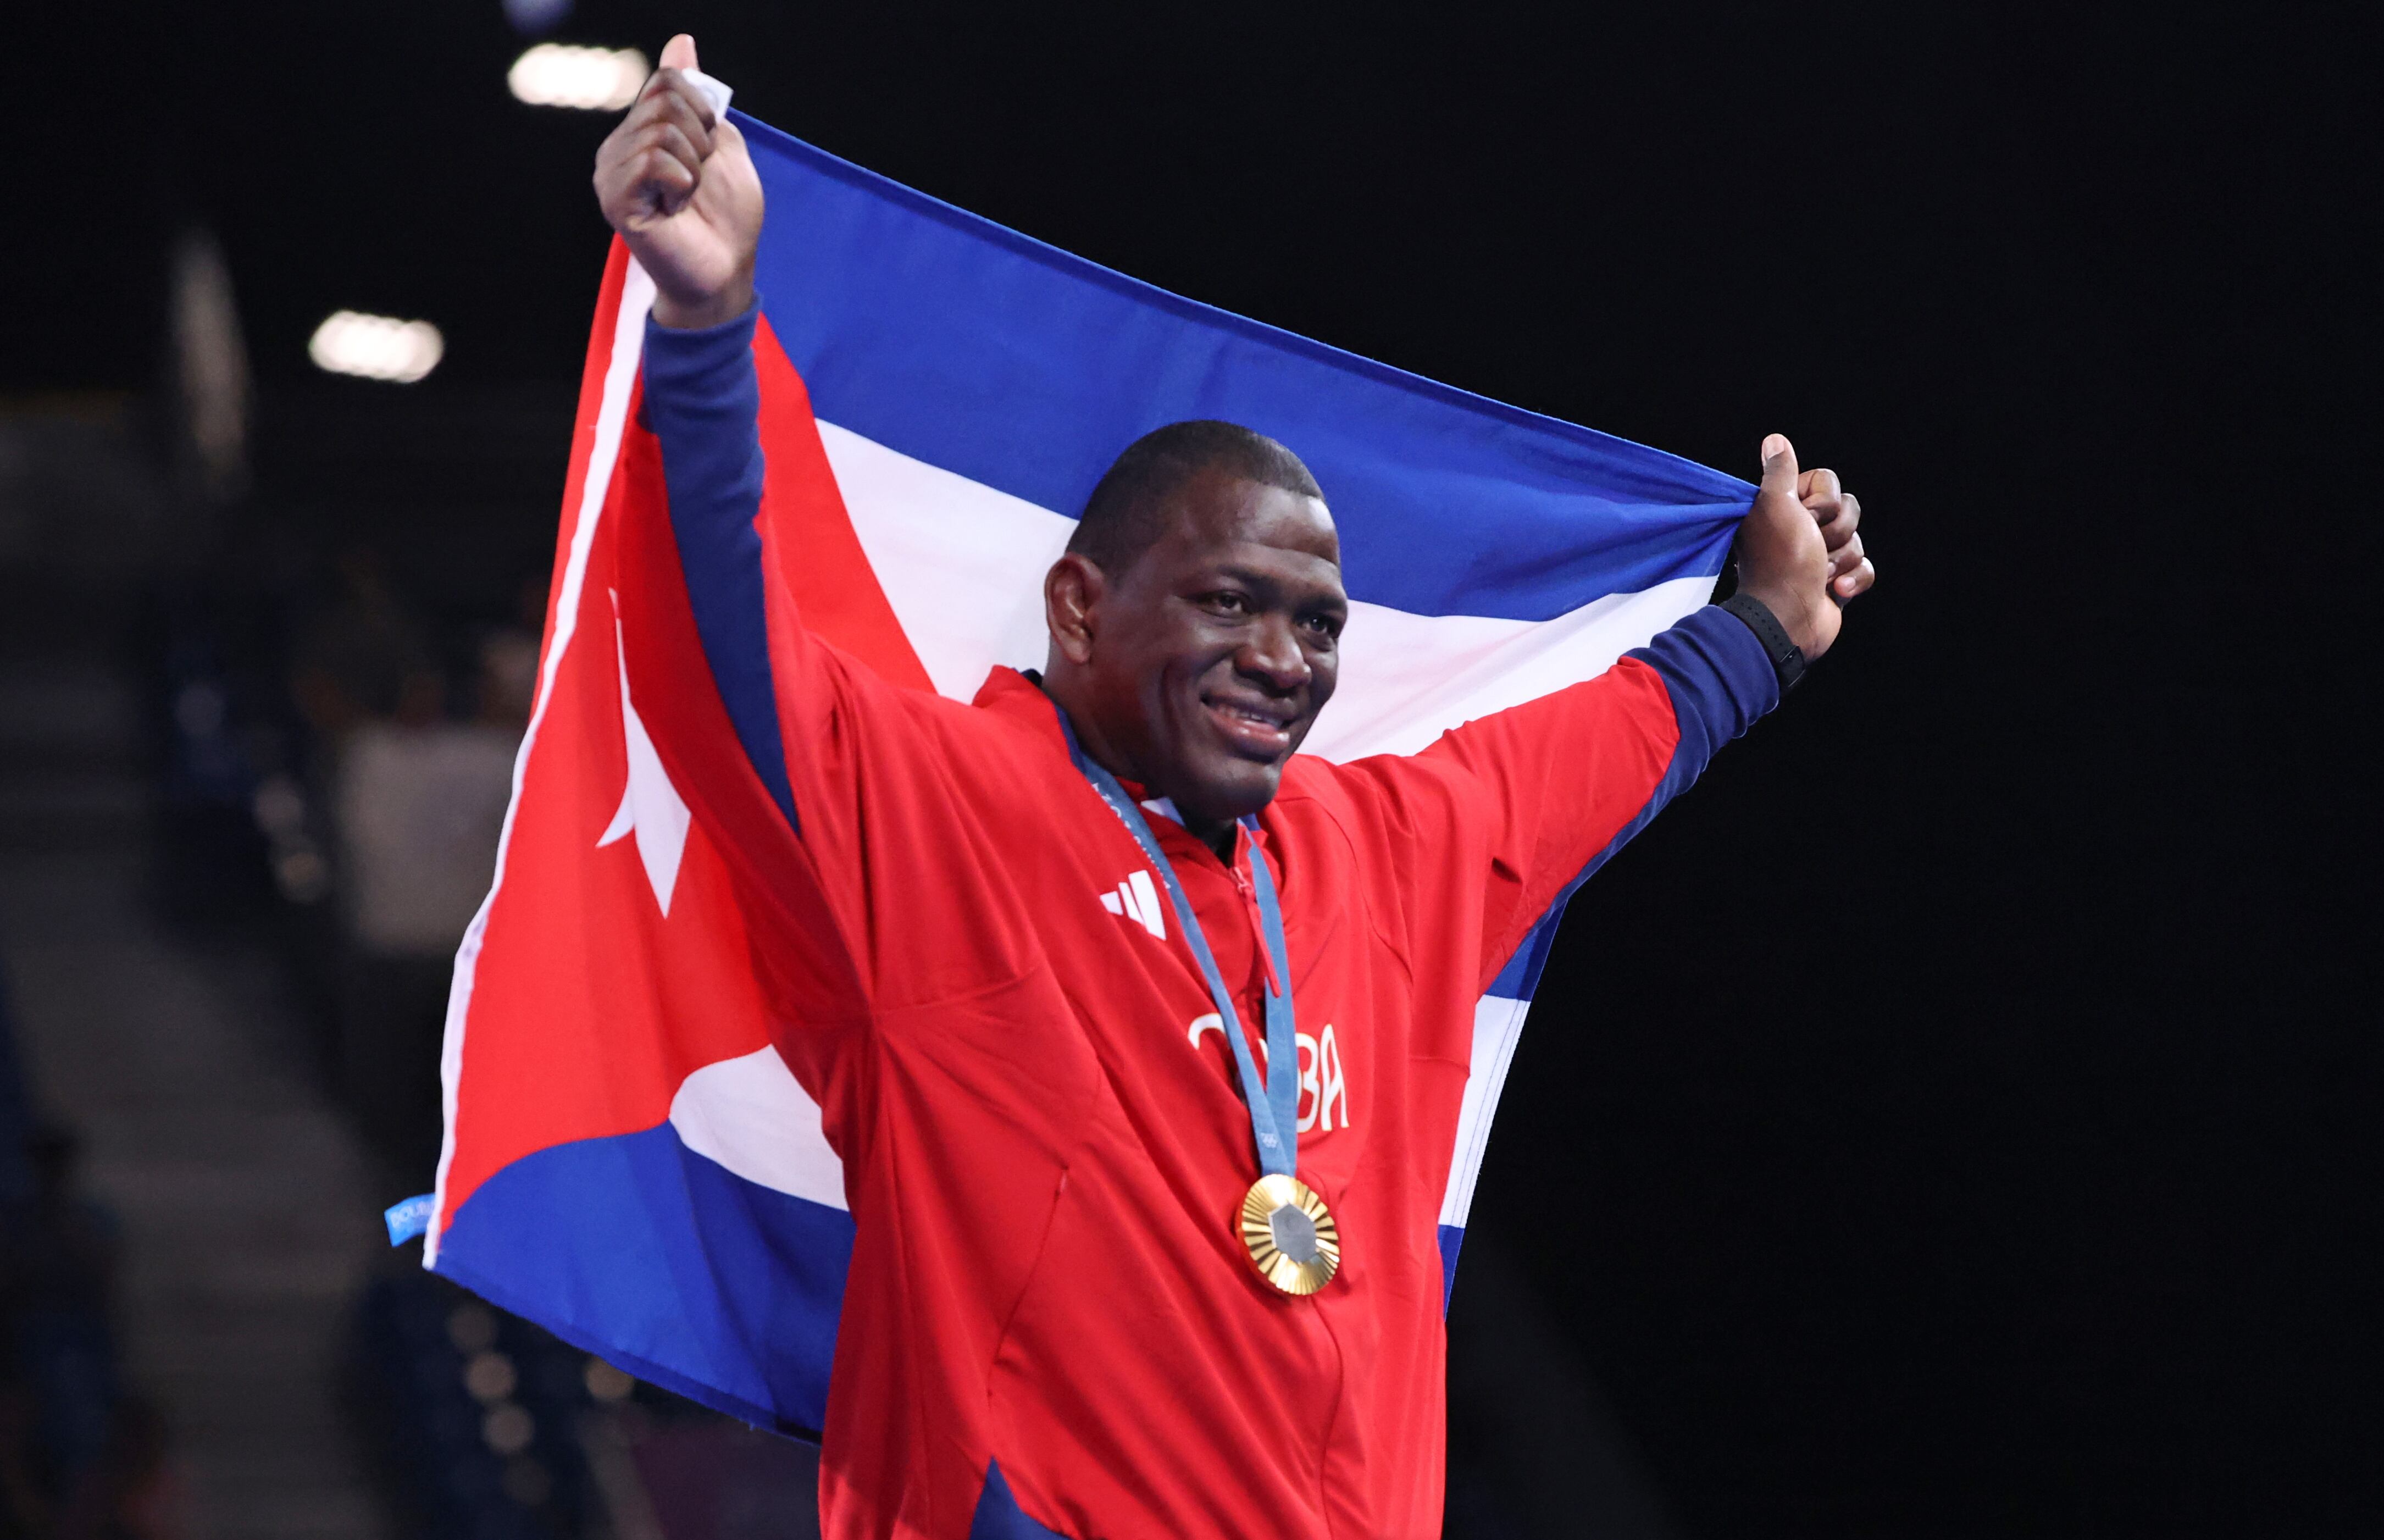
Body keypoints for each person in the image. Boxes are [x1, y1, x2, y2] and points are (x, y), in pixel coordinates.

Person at [591, 34, 1874, 1540]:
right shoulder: (942, 813)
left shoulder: (1380, 848)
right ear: (1079, 606)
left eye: (1317, 622)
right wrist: (700, 316)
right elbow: (715, 647)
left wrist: (1767, 631)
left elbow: (1606, 742)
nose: (1283, 656)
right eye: (1230, 601)